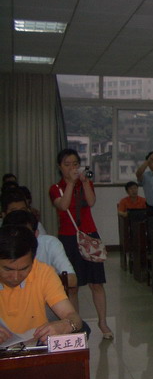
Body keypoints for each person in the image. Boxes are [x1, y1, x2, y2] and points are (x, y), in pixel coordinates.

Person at [48, 148, 113, 339]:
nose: (72, 168)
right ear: (59, 167)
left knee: (97, 283)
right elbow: (63, 205)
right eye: (67, 164)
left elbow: (91, 202)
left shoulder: (85, 182)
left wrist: (84, 182)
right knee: (73, 286)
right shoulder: (55, 188)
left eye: (75, 164)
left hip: (89, 236)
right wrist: (70, 183)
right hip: (68, 238)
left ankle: (103, 322)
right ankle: (75, 324)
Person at [0, 226, 84, 345]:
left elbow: (73, 317)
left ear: (33, 260)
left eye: (24, 269)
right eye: (8, 269)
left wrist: (66, 325)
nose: (15, 277)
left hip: (35, 347)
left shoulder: (43, 273)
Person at [2, 210, 78, 291]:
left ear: (36, 234)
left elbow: (71, 280)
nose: (20, 240)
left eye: (25, 235)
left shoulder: (49, 244)